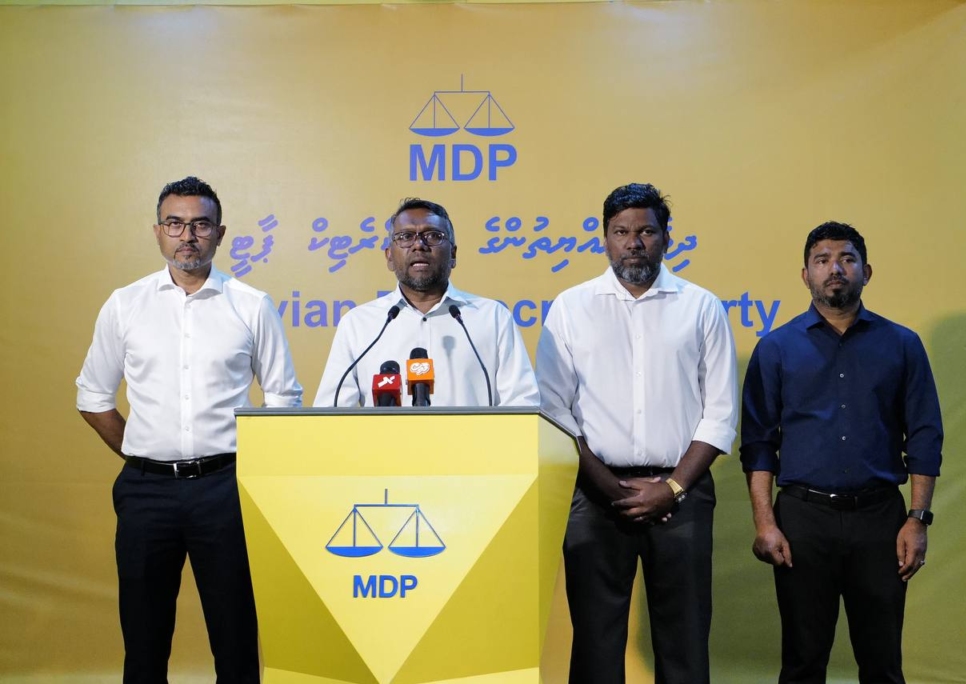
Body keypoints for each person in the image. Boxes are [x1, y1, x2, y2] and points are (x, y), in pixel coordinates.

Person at [76, 176, 303, 683]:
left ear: (219, 233)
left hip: (226, 490)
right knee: (143, 640)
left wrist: (253, 473)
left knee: (235, 636)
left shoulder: (252, 305)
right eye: (175, 224)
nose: (188, 236)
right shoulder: (125, 304)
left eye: (200, 225)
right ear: (158, 231)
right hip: (145, 492)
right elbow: (92, 396)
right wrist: (139, 450)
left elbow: (284, 399)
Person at [536, 183, 738, 684]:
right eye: (621, 232)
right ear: (604, 238)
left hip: (683, 494)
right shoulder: (571, 307)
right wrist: (613, 489)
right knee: (596, 642)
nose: (634, 243)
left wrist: (671, 488)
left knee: (684, 638)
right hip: (595, 494)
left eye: (646, 231)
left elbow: (720, 413)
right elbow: (554, 412)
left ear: (667, 237)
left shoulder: (701, 307)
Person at [740, 221, 942, 684]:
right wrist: (765, 523)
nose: (835, 268)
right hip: (802, 521)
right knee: (803, 662)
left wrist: (917, 519)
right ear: (805, 274)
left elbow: (925, 436)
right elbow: (759, 445)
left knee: (883, 663)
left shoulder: (902, 345)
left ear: (866, 272)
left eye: (847, 259)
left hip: (881, 521)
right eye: (823, 260)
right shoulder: (776, 349)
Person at [313, 197, 538, 408]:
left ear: (453, 254)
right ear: (389, 256)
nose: (419, 245)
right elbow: (331, 413)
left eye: (433, 236)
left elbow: (522, 404)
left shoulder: (492, 317)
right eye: (405, 237)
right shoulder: (358, 324)